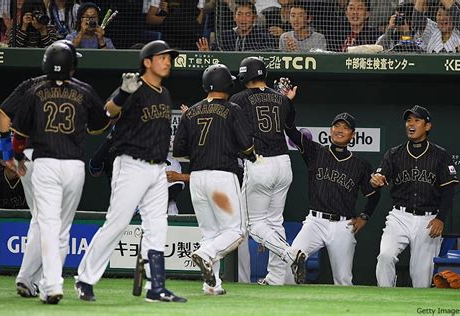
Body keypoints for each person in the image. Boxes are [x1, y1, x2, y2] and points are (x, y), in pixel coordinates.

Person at [75, 40, 186, 303]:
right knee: (117, 223)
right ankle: (85, 279)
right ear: (147, 62)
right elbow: (108, 111)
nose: (167, 61)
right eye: (162, 57)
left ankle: (156, 287)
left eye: (169, 58)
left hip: (158, 169)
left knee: (158, 226)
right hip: (132, 164)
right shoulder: (133, 87)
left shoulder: (164, 93)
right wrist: (123, 93)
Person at [7, 42, 109, 304]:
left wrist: (17, 157)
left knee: (47, 224)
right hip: (74, 166)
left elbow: (19, 134)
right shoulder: (84, 90)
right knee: (62, 228)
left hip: (45, 164)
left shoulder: (34, 91)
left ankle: (51, 284)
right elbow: (101, 124)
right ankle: (46, 282)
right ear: (72, 66)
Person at [0, 39, 84, 299]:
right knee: (48, 223)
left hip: (28, 157)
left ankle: (29, 278)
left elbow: (2, 114)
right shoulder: (73, 90)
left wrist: (6, 154)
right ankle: (31, 278)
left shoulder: (30, 85)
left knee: (42, 219)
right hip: (48, 158)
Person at [173, 63, 256, 295]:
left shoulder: (190, 112)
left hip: (197, 178)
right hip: (221, 177)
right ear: (227, 84)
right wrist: (252, 155)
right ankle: (206, 254)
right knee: (236, 232)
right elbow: (247, 144)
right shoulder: (232, 109)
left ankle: (211, 285)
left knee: (210, 234)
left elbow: (179, 149)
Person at [283, 97, 380, 285]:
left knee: (343, 279)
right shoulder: (315, 151)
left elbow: (374, 194)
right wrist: (288, 103)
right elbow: (291, 131)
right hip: (315, 222)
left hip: (342, 226)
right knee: (291, 258)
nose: (339, 130)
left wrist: (364, 216)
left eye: (345, 127)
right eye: (336, 126)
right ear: (331, 130)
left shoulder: (360, 165)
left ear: (353, 134)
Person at [229, 57, 306, 286]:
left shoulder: (238, 99)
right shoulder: (281, 99)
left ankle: (289, 253)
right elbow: (290, 124)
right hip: (283, 163)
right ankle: (275, 277)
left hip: (259, 162)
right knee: (274, 221)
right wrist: (288, 101)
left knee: (253, 224)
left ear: (245, 75)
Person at [371, 105, 459, 288]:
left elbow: (449, 189)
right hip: (399, 216)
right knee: (385, 256)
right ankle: (385, 299)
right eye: (408, 120)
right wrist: (376, 180)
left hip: (428, 219)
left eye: (417, 120)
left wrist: (441, 218)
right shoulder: (394, 154)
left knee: (421, 278)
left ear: (427, 126)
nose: (411, 124)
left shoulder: (440, 155)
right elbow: (379, 178)